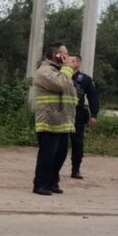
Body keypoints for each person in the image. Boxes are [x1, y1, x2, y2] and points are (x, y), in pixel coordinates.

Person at [31, 42, 77, 196]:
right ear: (55, 55)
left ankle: (52, 182)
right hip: (49, 120)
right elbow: (59, 85)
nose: (68, 57)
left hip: (63, 120)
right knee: (47, 155)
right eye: (65, 54)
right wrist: (68, 68)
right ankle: (40, 184)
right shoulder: (44, 71)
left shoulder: (62, 71)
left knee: (60, 155)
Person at [68, 54, 100, 179]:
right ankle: (53, 168)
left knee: (77, 142)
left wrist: (94, 114)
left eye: (73, 60)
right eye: (69, 60)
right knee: (59, 142)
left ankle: (75, 169)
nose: (70, 61)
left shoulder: (85, 79)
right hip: (61, 113)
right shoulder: (60, 75)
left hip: (78, 113)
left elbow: (93, 96)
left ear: (79, 63)